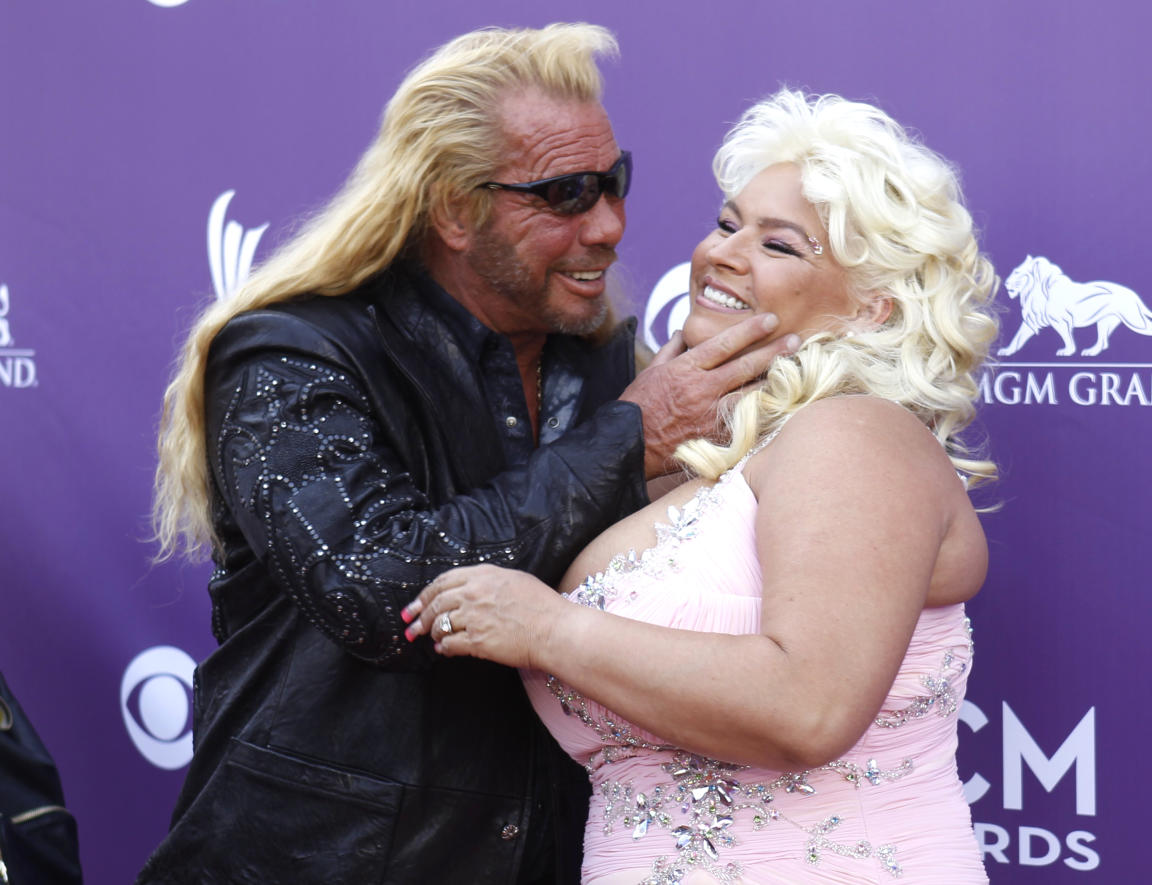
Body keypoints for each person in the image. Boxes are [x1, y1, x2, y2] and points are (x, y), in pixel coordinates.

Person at [139, 24, 793, 885]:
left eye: (615, 181)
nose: (610, 224)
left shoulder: (609, 371)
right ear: (451, 206)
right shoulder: (289, 356)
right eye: (566, 193)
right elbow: (383, 589)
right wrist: (631, 439)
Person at [404, 89, 999, 884]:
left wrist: (547, 628)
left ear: (870, 307)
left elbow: (808, 706)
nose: (723, 253)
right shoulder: (700, 464)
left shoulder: (857, 436)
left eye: (780, 246)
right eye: (727, 224)